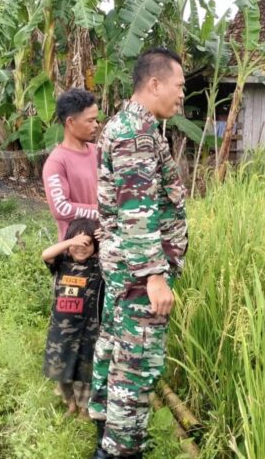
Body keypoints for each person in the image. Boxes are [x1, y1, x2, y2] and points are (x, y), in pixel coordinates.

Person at [88, 48, 188, 459]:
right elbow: (136, 209)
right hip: (137, 274)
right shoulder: (135, 133)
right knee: (135, 363)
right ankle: (119, 450)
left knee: (115, 347)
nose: (181, 96)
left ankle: (107, 428)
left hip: (123, 268)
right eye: (179, 87)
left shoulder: (135, 125)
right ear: (154, 84)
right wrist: (154, 276)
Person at [41, 218, 104, 418]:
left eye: (87, 245)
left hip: (89, 330)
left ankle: (85, 409)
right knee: (61, 368)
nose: (81, 249)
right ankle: (71, 404)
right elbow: (46, 254)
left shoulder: (98, 266)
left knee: (85, 372)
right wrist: (71, 242)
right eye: (77, 245)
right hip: (61, 330)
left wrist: (108, 240)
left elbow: (118, 258)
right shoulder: (62, 264)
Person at [42, 89, 100, 241]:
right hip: (77, 250)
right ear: (70, 122)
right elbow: (61, 209)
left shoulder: (99, 152)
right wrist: (101, 211)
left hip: (104, 245)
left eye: (96, 120)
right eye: (90, 120)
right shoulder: (56, 162)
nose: (96, 125)